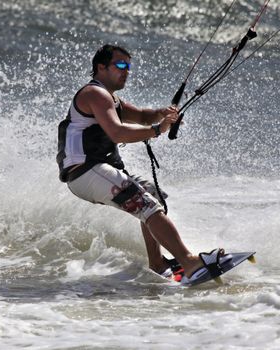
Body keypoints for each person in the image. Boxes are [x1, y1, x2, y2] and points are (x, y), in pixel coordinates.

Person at [56, 44, 224, 284]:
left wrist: (162, 114)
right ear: (100, 67)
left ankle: (157, 264)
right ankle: (189, 262)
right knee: (147, 206)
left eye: (129, 67)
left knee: (155, 197)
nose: (127, 71)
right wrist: (157, 130)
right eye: (120, 65)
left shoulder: (111, 98)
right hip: (85, 172)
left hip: (98, 171)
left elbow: (144, 116)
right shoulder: (94, 94)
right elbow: (117, 132)